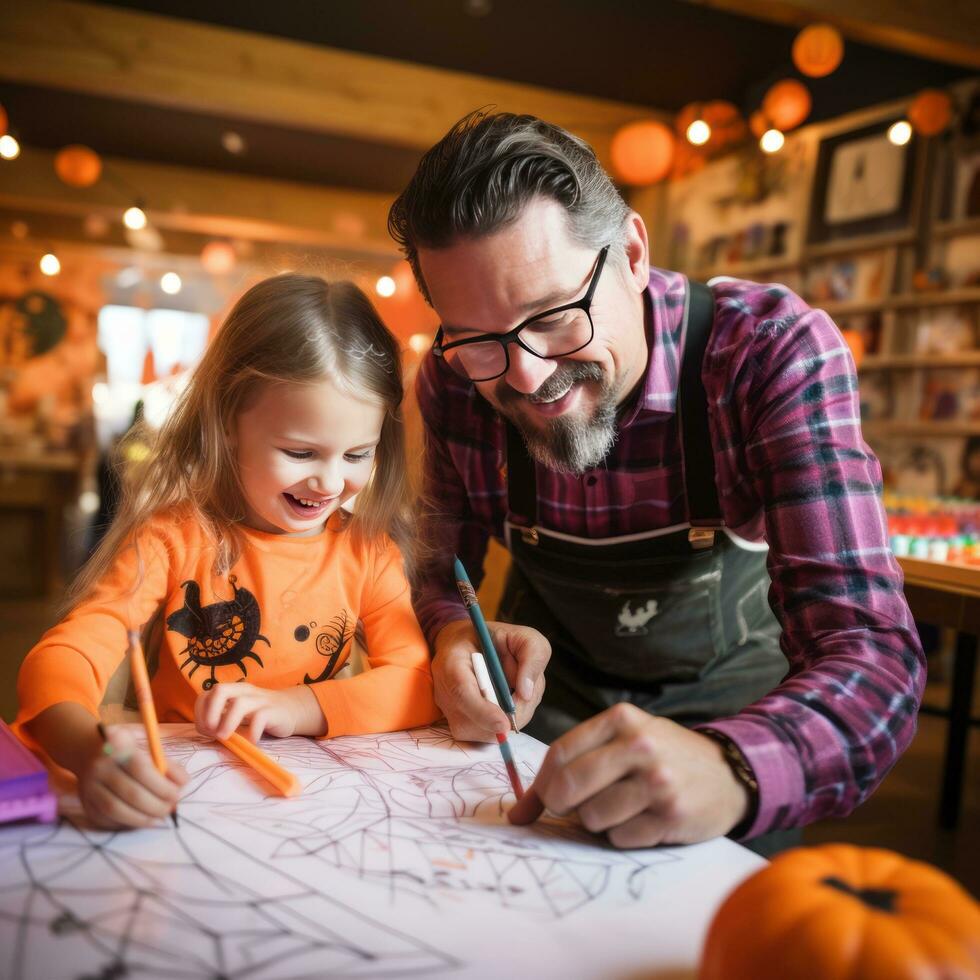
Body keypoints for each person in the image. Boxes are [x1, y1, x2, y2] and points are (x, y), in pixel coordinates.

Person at [389, 110, 924, 852]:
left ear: (633, 254)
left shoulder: (767, 353)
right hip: (543, 717)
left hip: (735, 723)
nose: (527, 374)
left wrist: (733, 768)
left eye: (554, 315)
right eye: (480, 339)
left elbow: (872, 657)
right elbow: (439, 575)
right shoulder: (453, 383)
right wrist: (452, 635)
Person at [14, 275, 440, 829]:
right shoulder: (173, 539)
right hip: (185, 802)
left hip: (313, 812)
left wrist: (297, 707)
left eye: (359, 453)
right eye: (300, 451)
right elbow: (65, 657)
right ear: (227, 424)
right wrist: (95, 754)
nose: (331, 482)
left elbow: (416, 683)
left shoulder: (367, 550)